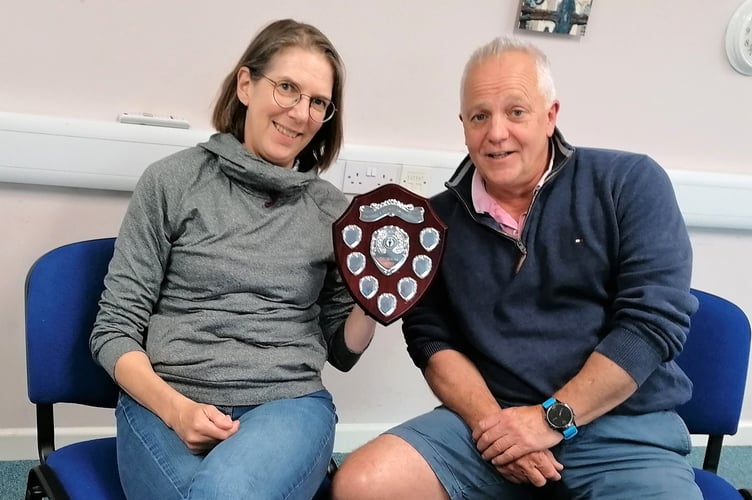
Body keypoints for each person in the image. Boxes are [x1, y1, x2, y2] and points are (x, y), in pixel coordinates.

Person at [332, 35, 702, 499]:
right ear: (463, 125)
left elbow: (651, 326)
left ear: (551, 116)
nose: (496, 132)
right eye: (480, 116)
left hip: (619, 428)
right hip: (490, 425)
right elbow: (430, 338)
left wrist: (550, 420)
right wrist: (498, 429)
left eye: (516, 111)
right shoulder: (433, 223)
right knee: (362, 484)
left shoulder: (629, 182)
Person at [89, 18, 377, 500]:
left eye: (318, 102)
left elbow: (341, 350)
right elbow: (113, 329)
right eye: (287, 88)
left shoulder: (334, 212)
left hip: (287, 403)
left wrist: (374, 298)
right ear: (246, 84)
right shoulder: (171, 183)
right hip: (167, 396)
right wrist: (177, 409)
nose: (300, 113)